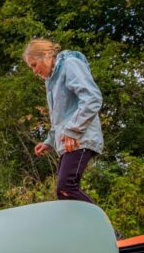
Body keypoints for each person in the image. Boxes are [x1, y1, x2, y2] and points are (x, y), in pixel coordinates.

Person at [23, 38, 106, 209]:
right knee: (64, 193)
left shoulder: (70, 64)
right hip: (69, 141)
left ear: (46, 55)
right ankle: (87, 232)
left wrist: (73, 130)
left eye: (34, 64)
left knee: (66, 187)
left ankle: (108, 232)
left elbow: (92, 98)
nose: (34, 70)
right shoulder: (51, 81)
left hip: (81, 137)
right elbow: (60, 119)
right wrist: (49, 141)